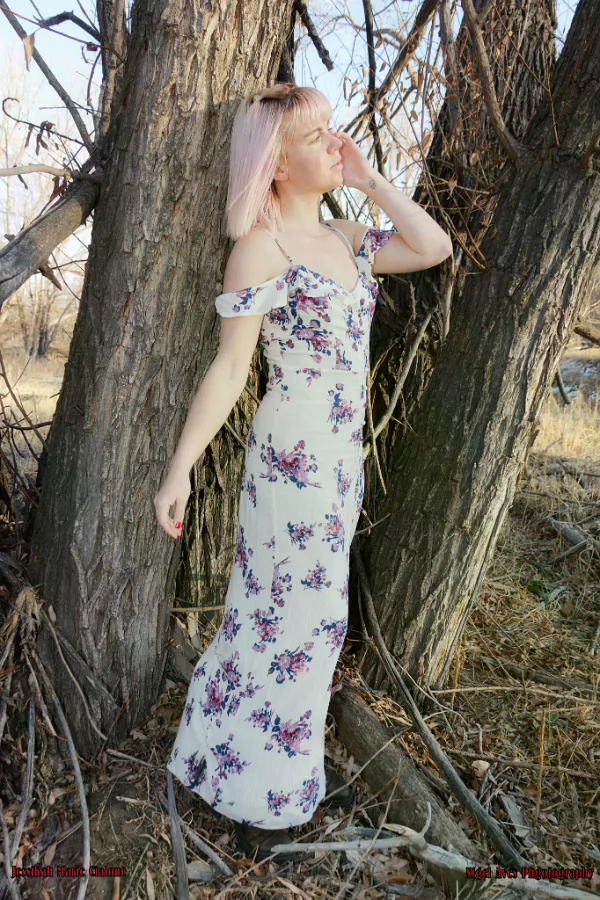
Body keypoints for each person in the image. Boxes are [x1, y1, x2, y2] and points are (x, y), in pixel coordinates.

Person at [154, 83, 453, 863]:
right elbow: (230, 370)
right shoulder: (261, 248)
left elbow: (433, 248)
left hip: (339, 466)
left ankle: (247, 771)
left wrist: (371, 180)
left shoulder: (350, 238)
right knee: (289, 622)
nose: (334, 144)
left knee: (304, 624)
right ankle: (259, 801)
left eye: (332, 130)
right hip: (290, 465)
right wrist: (179, 470)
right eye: (316, 137)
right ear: (277, 166)